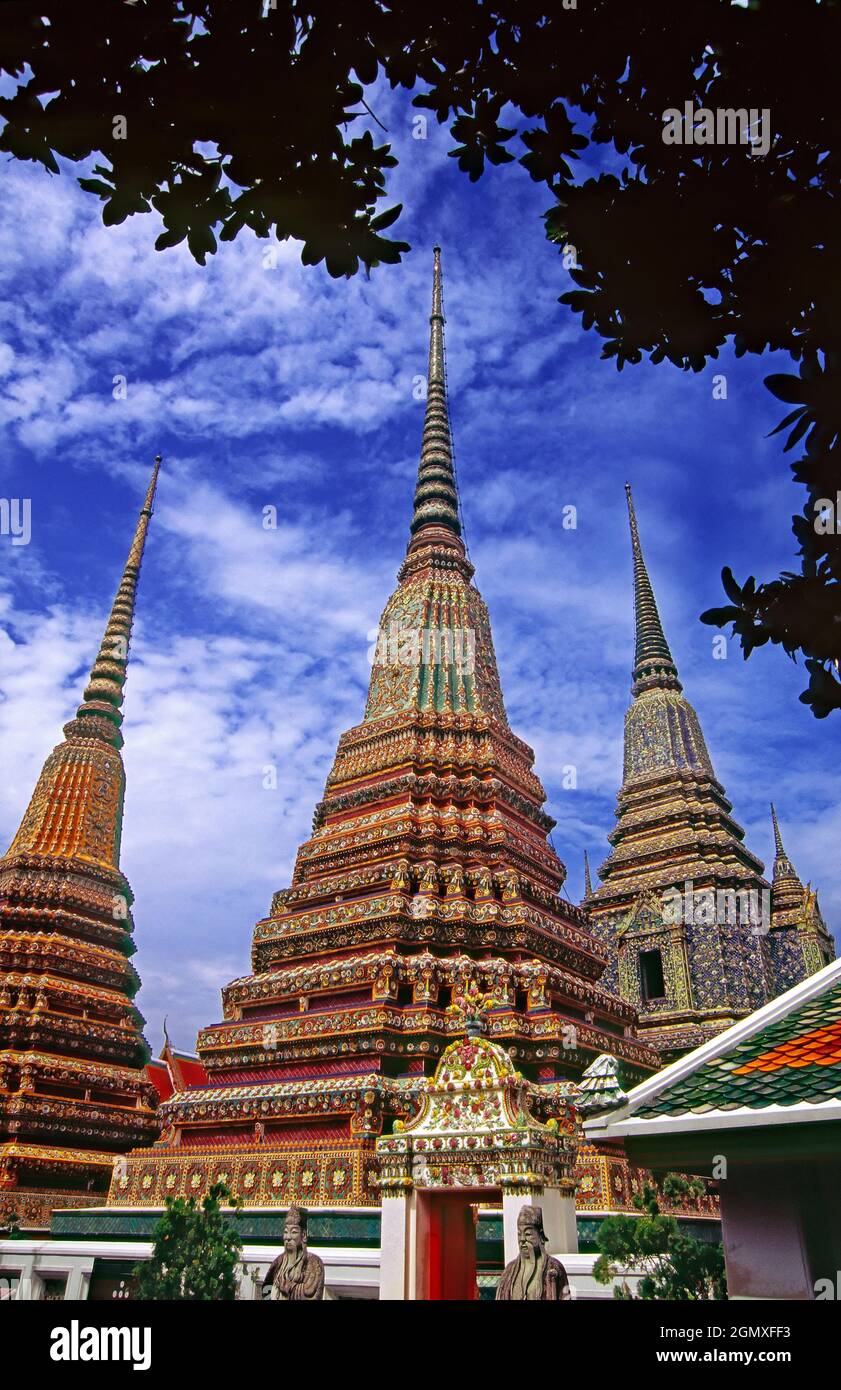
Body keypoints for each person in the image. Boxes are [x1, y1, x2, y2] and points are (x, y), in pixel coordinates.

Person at [496, 1205, 571, 1300]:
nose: (522, 1239)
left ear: (540, 1234)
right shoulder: (509, 1270)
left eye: (528, 1234)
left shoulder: (554, 1268)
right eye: (519, 1234)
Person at [266, 1204, 325, 1301]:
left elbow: (311, 1293)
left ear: (303, 1235)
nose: (288, 1237)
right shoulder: (278, 1262)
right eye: (285, 1232)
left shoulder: (314, 1263)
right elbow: (266, 1289)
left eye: (293, 1232)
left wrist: (288, 1287)